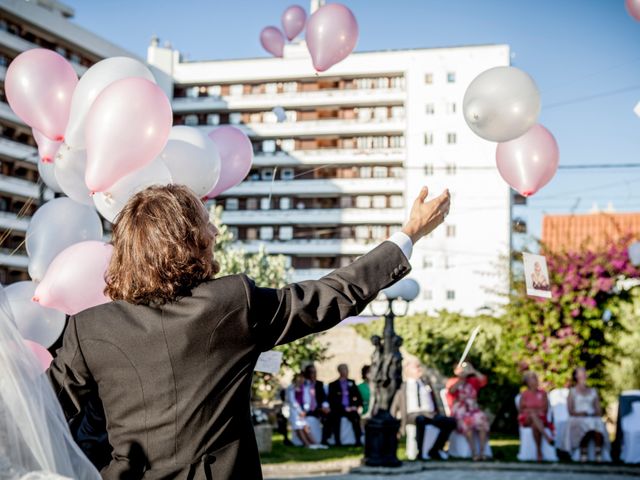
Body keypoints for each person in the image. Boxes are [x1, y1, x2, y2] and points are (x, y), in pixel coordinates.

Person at [47, 184, 450, 479]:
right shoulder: (230, 303)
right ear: (186, 241)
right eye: (206, 225)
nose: (215, 233)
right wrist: (407, 236)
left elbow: (43, 408)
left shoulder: (88, 328)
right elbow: (329, 296)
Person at [392, 358, 457, 460]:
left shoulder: (425, 383)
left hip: (430, 413)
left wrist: (437, 412)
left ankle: (435, 450)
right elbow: (395, 404)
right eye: (416, 367)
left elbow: (433, 399)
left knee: (450, 422)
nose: (419, 369)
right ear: (407, 370)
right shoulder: (403, 386)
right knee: (420, 420)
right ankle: (420, 452)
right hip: (412, 415)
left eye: (419, 366)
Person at [561, 366, 609, 462]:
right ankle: (583, 452)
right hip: (577, 417)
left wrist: (594, 413)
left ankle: (598, 453)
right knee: (583, 424)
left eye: (584, 372)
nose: (584, 374)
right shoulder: (572, 391)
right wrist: (581, 413)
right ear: (576, 376)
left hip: (592, 417)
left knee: (598, 423)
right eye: (581, 372)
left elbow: (598, 410)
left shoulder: (593, 391)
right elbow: (570, 410)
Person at [446, 362, 490, 461]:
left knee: (483, 422)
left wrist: (473, 370)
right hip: (460, 411)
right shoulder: (453, 381)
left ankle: (482, 452)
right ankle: (474, 453)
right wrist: (461, 379)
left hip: (473, 409)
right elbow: (452, 391)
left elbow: (483, 380)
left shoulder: (473, 381)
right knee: (467, 423)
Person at [518, 371, 554, 462]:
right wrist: (533, 411)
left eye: (535, 378)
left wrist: (531, 411)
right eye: (532, 378)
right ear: (528, 382)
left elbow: (545, 408)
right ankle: (547, 437)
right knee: (533, 415)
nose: (536, 380)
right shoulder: (524, 394)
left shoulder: (543, 393)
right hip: (526, 419)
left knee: (535, 424)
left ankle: (538, 451)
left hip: (540, 418)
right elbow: (521, 409)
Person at [286, 372, 326, 449]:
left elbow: (307, 400)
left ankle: (315, 443)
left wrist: (304, 410)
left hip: (303, 411)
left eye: (302, 378)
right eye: (299, 378)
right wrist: (299, 411)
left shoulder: (305, 388)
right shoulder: (291, 388)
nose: (301, 380)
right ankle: (307, 444)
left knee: (305, 426)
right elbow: (292, 401)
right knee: (298, 426)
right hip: (295, 411)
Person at [328, 364, 364, 446]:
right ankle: (337, 441)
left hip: (351, 408)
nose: (347, 371)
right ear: (339, 371)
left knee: (356, 418)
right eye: (345, 369)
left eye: (347, 369)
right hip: (339, 409)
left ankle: (358, 440)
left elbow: (358, 397)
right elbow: (332, 400)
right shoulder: (333, 385)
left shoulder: (352, 382)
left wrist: (355, 406)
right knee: (335, 418)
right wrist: (343, 408)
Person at [303, 364, 331, 444]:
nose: (314, 375)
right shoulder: (304, 385)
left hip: (319, 409)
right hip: (308, 409)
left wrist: (325, 407)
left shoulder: (320, 384)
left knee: (329, 417)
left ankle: (325, 439)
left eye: (315, 372)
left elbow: (324, 398)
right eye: (311, 372)